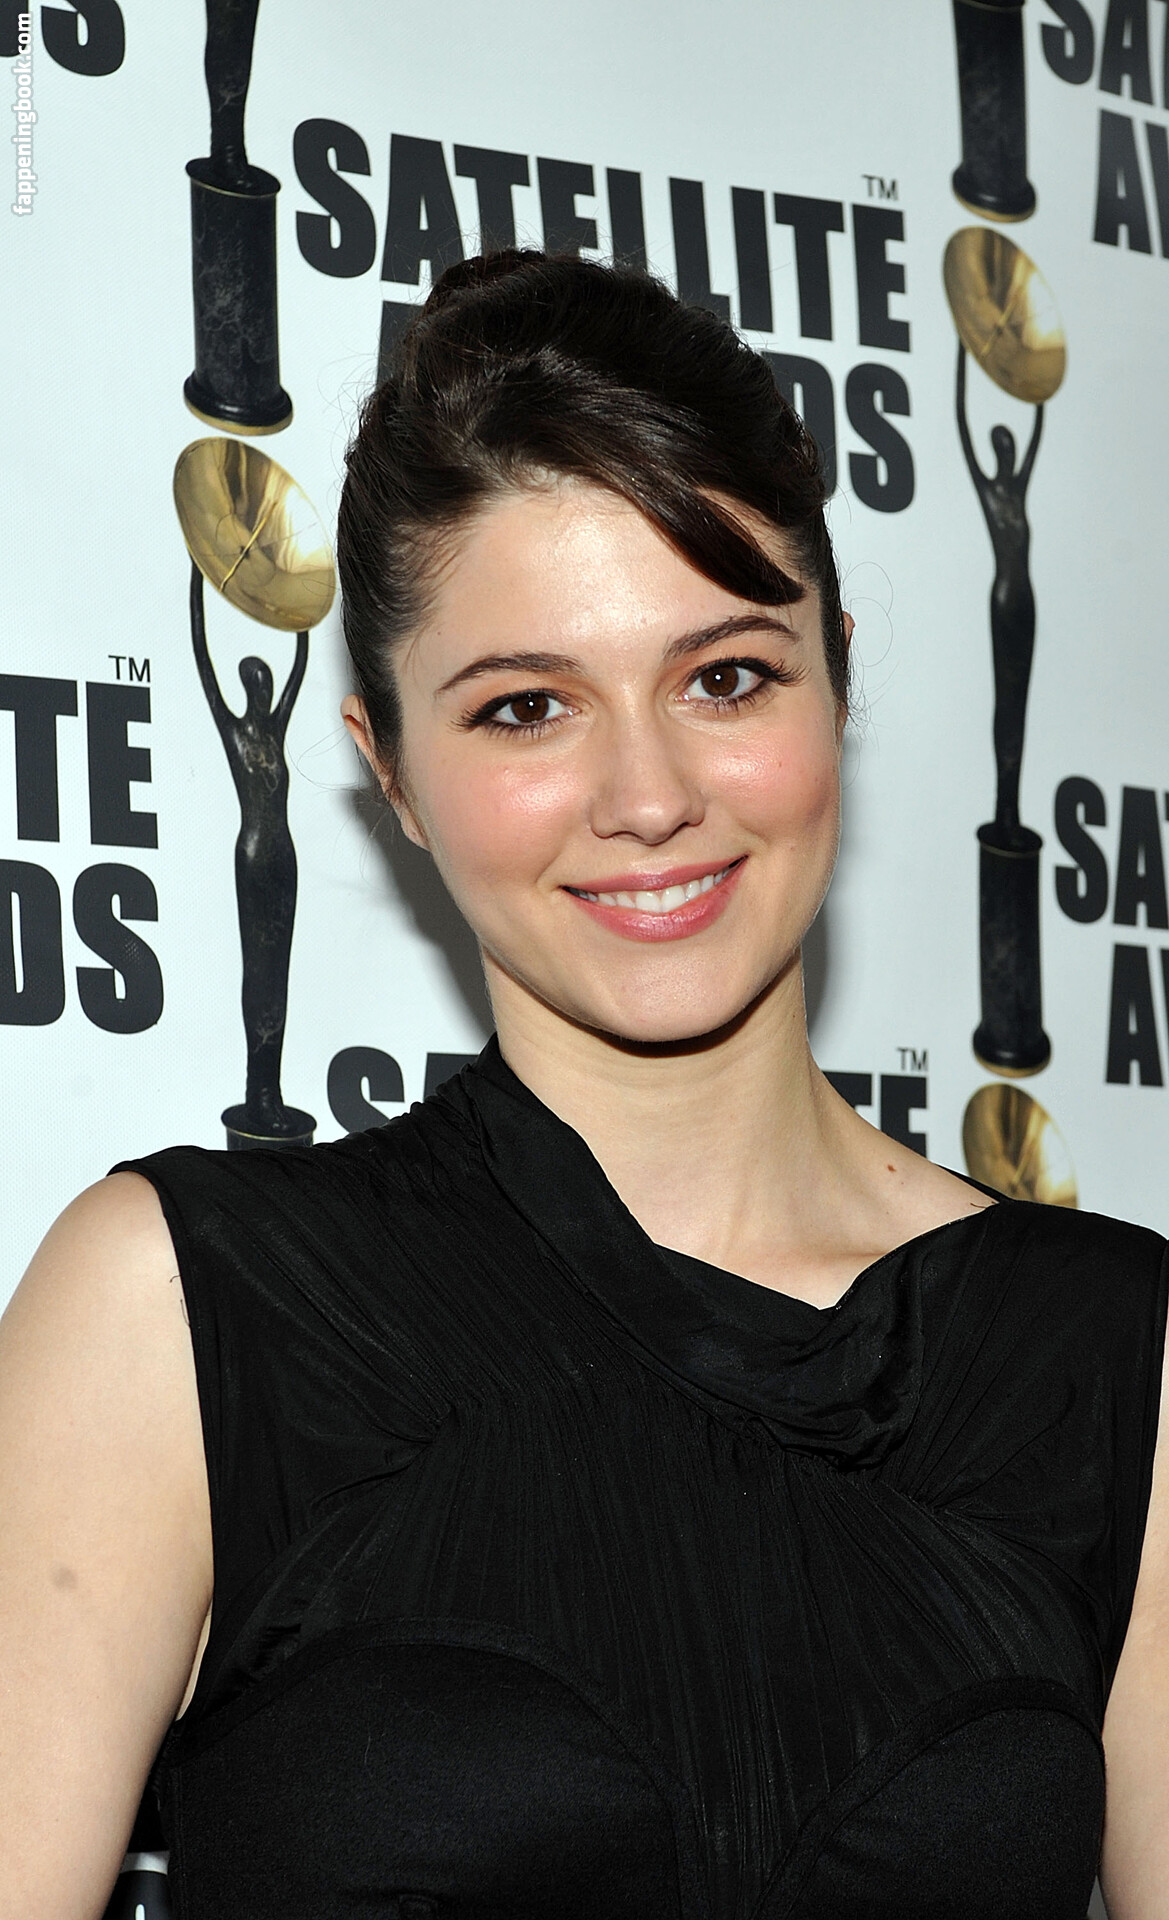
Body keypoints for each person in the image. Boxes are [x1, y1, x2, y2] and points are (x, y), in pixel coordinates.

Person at [0, 252, 1165, 1919]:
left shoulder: (1110, 1355)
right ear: (392, 773)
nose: (646, 793)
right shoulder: (185, 1308)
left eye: (725, 677)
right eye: (528, 708)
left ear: (837, 680)